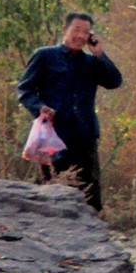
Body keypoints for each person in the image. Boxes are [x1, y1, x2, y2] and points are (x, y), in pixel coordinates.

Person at [18, 12, 123, 212]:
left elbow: (114, 81)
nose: (81, 36)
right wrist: (39, 107)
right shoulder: (45, 56)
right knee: (52, 193)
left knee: (89, 199)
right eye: (76, 30)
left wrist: (99, 53)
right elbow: (25, 90)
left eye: (86, 32)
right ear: (65, 30)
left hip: (85, 137)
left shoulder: (92, 63)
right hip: (53, 137)